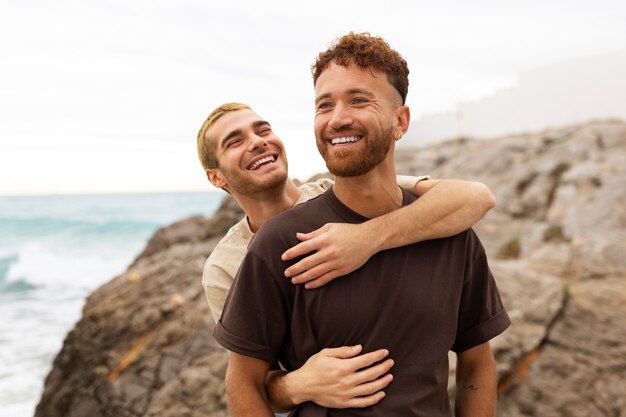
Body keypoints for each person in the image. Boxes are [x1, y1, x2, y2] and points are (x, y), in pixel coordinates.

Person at [212, 32, 511, 416]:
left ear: (400, 121)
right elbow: (243, 382)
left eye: (358, 100)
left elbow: (477, 364)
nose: (338, 119)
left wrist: (366, 239)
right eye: (324, 105)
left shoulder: (449, 231)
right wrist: (296, 384)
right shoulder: (279, 242)